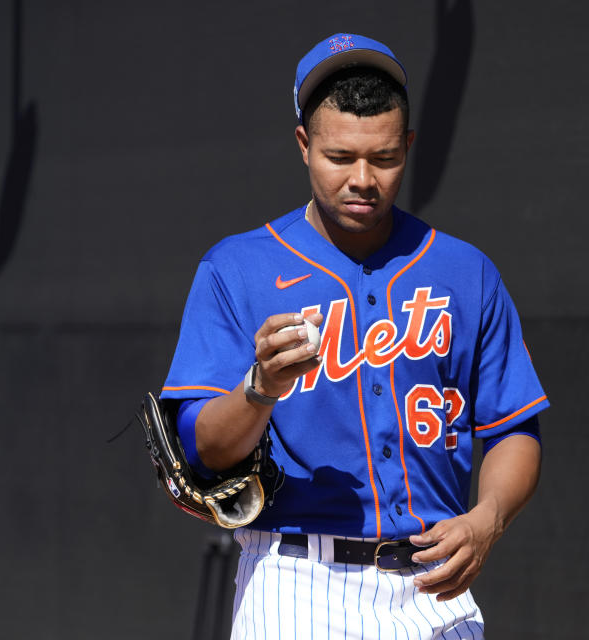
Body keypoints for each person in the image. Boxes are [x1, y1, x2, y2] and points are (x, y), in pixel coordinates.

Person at [160, 33, 549, 639]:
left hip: (434, 585)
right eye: (340, 157)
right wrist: (259, 390)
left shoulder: (464, 271)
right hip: (296, 583)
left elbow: (514, 428)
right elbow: (202, 450)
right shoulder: (237, 269)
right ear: (304, 145)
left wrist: (489, 518)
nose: (363, 178)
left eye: (385, 157)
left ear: (409, 146)